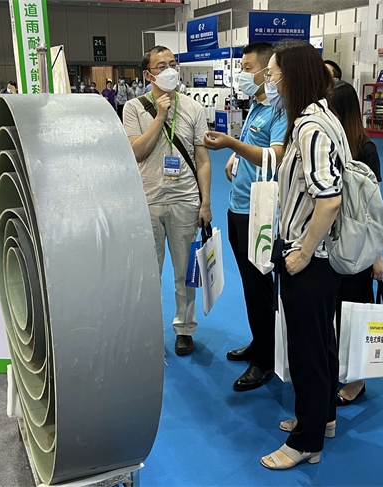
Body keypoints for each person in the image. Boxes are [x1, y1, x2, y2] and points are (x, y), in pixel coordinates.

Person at [258, 40, 346, 470]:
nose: (269, 82)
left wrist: (303, 252)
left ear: (292, 77)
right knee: (321, 343)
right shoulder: (322, 118)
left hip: (311, 258)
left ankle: (305, 441)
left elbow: (328, 199)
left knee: (307, 352)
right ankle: (321, 417)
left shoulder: (310, 128)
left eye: (273, 74)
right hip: (322, 259)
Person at [203, 42, 288, 392]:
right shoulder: (256, 104)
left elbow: (275, 155)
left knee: (259, 286)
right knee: (250, 285)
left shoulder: (281, 112)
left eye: (249, 67)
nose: (243, 73)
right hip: (238, 206)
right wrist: (236, 156)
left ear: (267, 72)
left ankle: (266, 359)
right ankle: (260, 342)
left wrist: (232, 146)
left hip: (260, 212)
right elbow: (253, 145)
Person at [123, 45, 213, 356]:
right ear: (148, 75)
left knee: (184, 272)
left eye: (173, 64)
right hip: (147, 201)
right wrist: (160, 115)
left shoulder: (193, 108)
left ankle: (184, 328)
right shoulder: (133, 108)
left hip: (185, 200)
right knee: (148, 274)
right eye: (161, 66)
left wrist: (205, 202)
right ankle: (146, 330)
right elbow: (137, 152)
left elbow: (202, 159)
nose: (170, 70)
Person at [330, 81, 383, 406]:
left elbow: (374, 207)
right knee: (334, 312)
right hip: (332, 241)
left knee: (355, 313)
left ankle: (358, 380)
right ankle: (337, 368)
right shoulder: (330, 144)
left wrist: (377, 254)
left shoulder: (366, 150)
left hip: (358, 244)